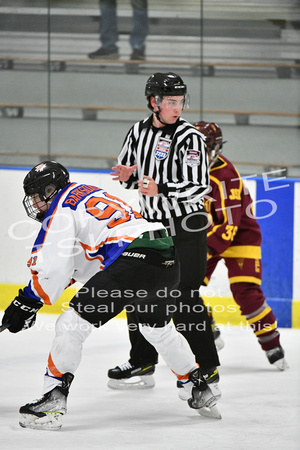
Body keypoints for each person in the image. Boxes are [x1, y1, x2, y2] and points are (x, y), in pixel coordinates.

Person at [1, 160, 221, 431]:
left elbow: (52, 271)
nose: (35, 203)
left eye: (36, 196)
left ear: (49, 190)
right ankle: (198, 386)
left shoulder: (59, 209)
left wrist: (27, 301)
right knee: (158, 330)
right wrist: (34, 299)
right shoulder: (85, 193)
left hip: (134, 258)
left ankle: (53, 398)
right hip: (164, 255)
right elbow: (89, 260)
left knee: (71, 324)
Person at [109, 72, 220, 393]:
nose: (178, 108)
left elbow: (199, 186)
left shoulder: (190, 137)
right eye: (171, 102)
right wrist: (128, 176)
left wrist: (162, 187)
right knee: (136, 290)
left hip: (186, 226)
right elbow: (129, 174)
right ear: (153, 102)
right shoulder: (137, 132)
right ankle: (142, 360)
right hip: (151, 227)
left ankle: (207, 367)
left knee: (185, 297)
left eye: (181, 101)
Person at [194, 121, 288, 371]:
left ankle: (272, 346)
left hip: (240, 236)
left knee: (246, 292)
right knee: (182, 286)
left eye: (203, 149)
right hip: (207, 235)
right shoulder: (186, 170)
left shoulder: (225, 175)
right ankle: (209, 332)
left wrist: (206, 250)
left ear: (215, 149)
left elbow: (229, 225)